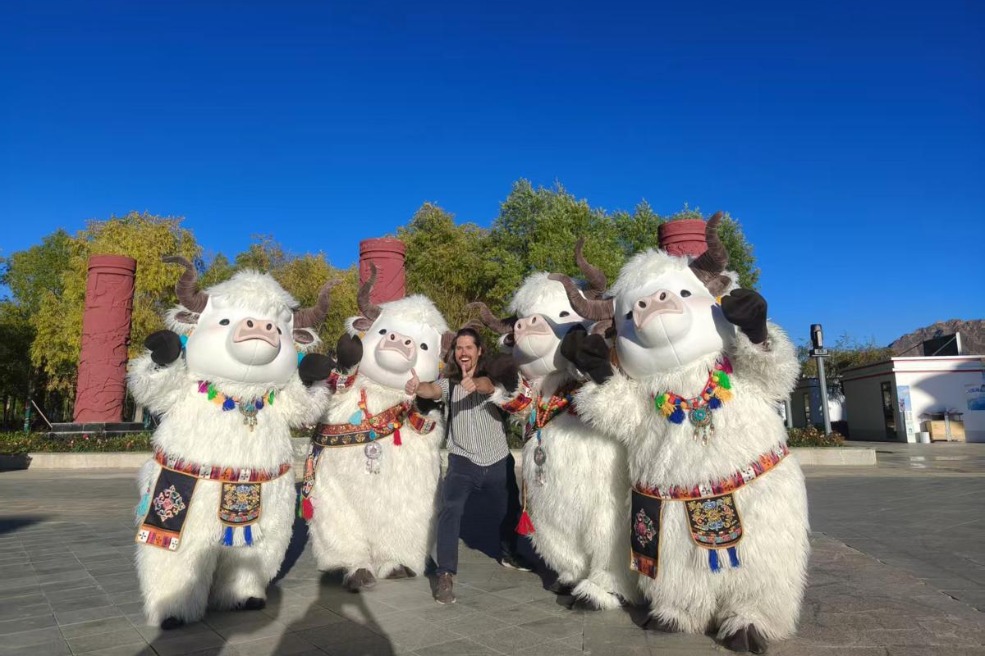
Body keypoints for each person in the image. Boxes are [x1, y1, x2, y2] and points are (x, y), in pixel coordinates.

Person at [406, 327, 533, 604]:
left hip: (497, 459)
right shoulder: (449, 384)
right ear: (454, 353)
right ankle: (445, 573)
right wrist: (418, 387)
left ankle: (508, 552)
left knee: (509, 509)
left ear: (479, 351)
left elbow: (490, 386)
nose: (463, 352)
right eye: (459, 348)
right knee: (450, 510)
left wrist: (477, 383)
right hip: (462, 461)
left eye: (469, 347)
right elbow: (431, 390)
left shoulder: (494, 379)